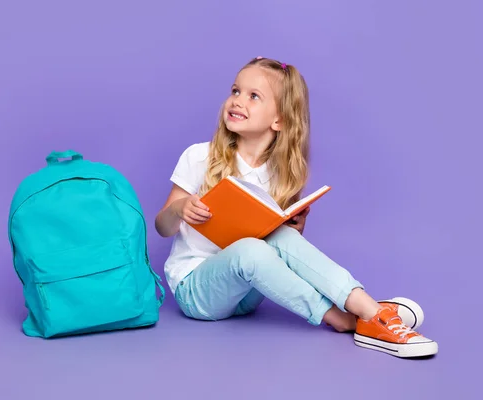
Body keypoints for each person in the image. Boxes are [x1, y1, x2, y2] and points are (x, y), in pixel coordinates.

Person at [154, 56, 438, 358]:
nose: (237, 101)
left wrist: (295, 229)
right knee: (250, 250)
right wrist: (180, 208)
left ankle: (368, 310)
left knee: (278, 239)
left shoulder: (280, 173)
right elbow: (162, 226)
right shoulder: (200, 156)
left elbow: (280, 253)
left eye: (253, 96)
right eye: (235, 91)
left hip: (250, 293)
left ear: (279, 120)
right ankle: (349, 318)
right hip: (197, 291)